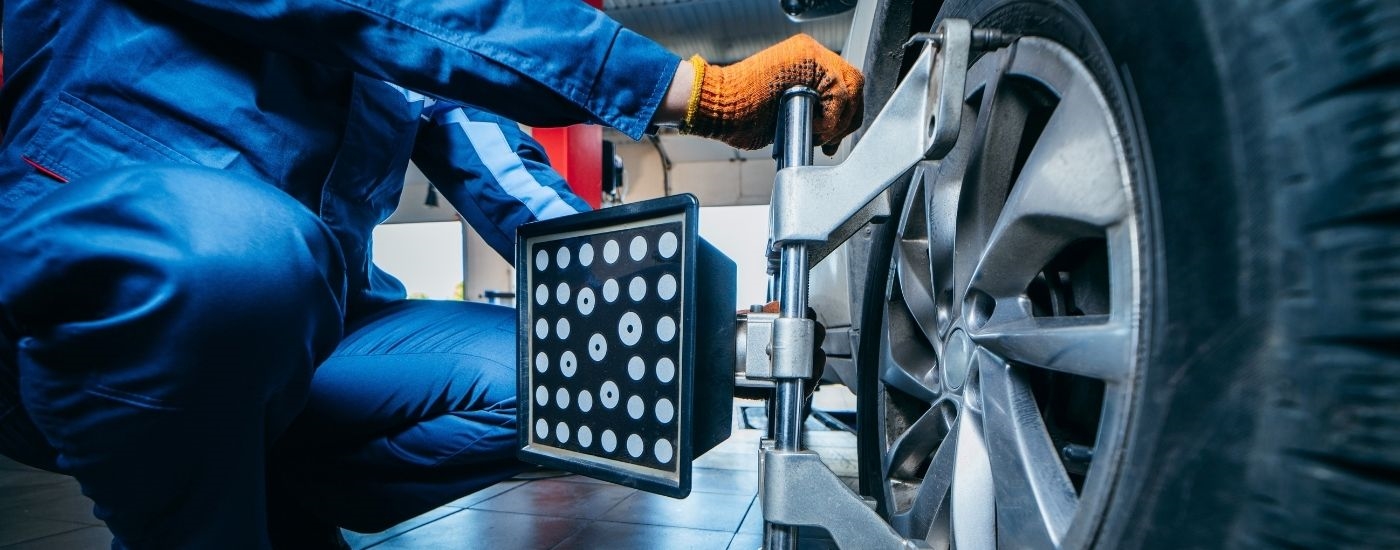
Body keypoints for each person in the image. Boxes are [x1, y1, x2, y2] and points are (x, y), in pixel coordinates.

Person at [0, 2, 864, 548]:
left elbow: (504, 167)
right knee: (243, 255)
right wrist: (686, 89)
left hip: (308, 331)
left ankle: (266, 495)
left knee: (584, 381)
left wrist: (682, 316)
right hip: (102, 289)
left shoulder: (416, 47)